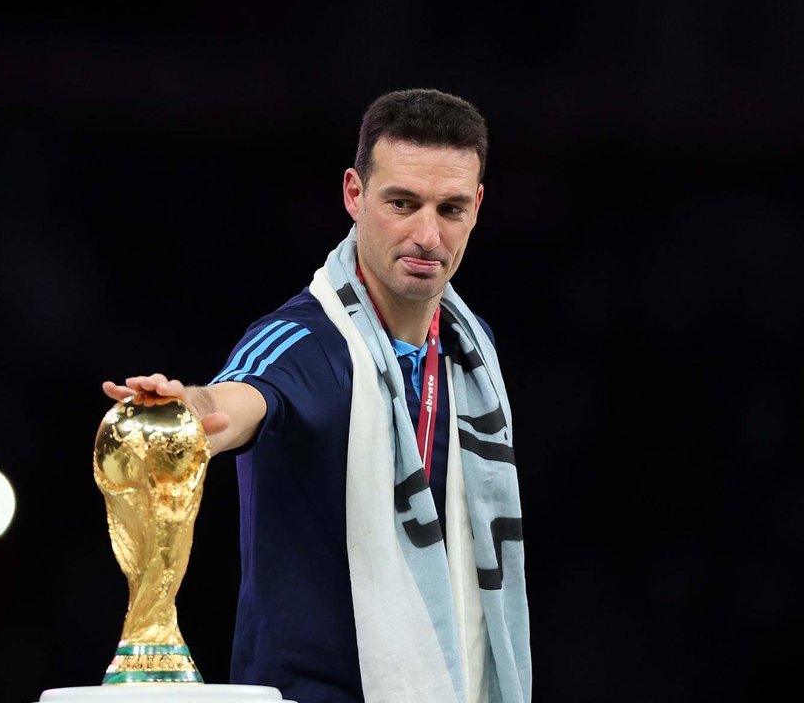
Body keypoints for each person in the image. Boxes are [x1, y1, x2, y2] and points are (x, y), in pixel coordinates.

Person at [103, 89, 530, 703]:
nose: (428, 236)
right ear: (354, 195)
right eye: (402, 203)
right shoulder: (302, 342)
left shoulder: (472, 352)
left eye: (451, 208)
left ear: (479, 206)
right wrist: (186, 411)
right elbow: (233, 404)